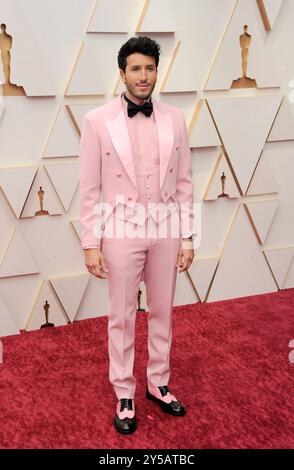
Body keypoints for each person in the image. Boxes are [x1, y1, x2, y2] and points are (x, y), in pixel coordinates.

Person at [79, 36, 196, 434]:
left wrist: (188, 235)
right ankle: (124, 392)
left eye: (149, 68)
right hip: (120, 232)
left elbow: (184, 182)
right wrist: (90, 243)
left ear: (156, 71)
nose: (143, 76)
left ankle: (158, 383)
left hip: (166, 230)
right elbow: (89, 187)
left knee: (163, 311)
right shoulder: (98, 120)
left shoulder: (175, 118)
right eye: (135, 68)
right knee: (123, 316)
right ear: (122, 72)